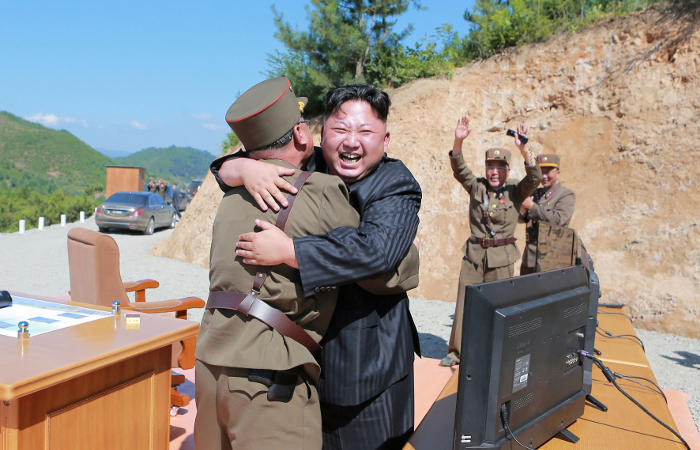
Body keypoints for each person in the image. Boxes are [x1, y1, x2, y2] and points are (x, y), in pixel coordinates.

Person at [195, 78, 418, 450]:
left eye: (365, 131)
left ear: (385, 139)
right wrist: (243, 169)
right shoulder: (306, 162)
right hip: (299, 361)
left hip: (365, 366)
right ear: (318, 133)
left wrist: (290, 251)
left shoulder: (394, 183)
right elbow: (235, 162)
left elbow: (378, 254)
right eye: (340, 129)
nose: (351, 142)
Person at [439, 116, 541, 367]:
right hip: (474, 255)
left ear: (507, 170)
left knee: (500, 307)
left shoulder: (515, 191)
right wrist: (458, 140)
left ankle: (498, 354)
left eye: (500, 167)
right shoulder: (477, 187)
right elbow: (459, 168)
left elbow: (534, 178)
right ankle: (457, 352)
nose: (494, 172)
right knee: (465, 303)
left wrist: (524, 149)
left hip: (501, 258)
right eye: (490, 167)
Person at [519, 154, 576, 274]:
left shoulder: (565, 195)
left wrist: (532, 207)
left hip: (552, 257)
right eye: (541, 172)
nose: (544, 176)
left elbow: (559, 220)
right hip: (530, 257)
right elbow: (521, 219)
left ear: (557, 172)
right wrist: (523, 212)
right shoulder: (535, 193)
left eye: (548, 172)